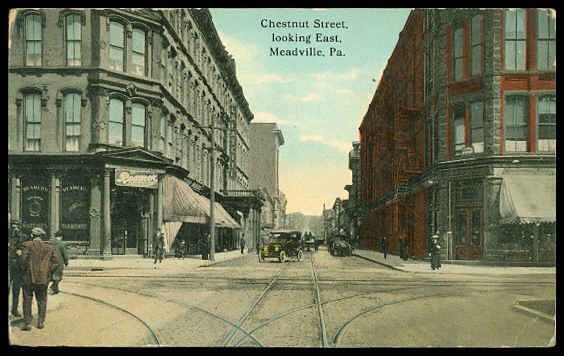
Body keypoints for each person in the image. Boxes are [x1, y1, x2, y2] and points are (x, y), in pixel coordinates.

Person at [18, 227, 59, 331]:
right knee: (42, 300)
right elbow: (56, 262)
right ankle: (40, 321)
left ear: (32, 235)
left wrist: (23, 271)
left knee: (27, 299)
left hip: (28, 278)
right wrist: (48, 271)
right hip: (43, 278)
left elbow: (22, 261)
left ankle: (27, 322)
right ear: (42, 236)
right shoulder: (49, 247)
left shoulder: (27, 245)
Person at [9, 220, 24, 317]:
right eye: (13, 226)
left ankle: (14, 309)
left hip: (17, 266)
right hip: (9, 264)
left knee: (16, 289)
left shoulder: (23, 238)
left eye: (17, 226)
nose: (15, 228)